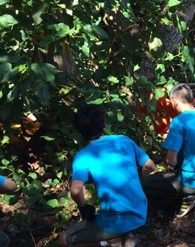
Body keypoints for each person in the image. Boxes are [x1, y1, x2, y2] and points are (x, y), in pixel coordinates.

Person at [59, 104, 156, 247]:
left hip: (113, 221)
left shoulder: (83, 157)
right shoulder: (124, 140)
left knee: (63, 240)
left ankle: (109, 243)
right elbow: (150, 166)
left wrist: (84, 208)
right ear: (104, 123)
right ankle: (123, 238)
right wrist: (135, 181)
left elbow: (75, 190)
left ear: (79, 131)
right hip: (141, 212)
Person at [141, 83, 195, 218]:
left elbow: (171, 160)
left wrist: (170, 167)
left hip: (191, 181)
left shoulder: (178, 122)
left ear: (175, 101)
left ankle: (189, 196)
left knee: (146, 183)